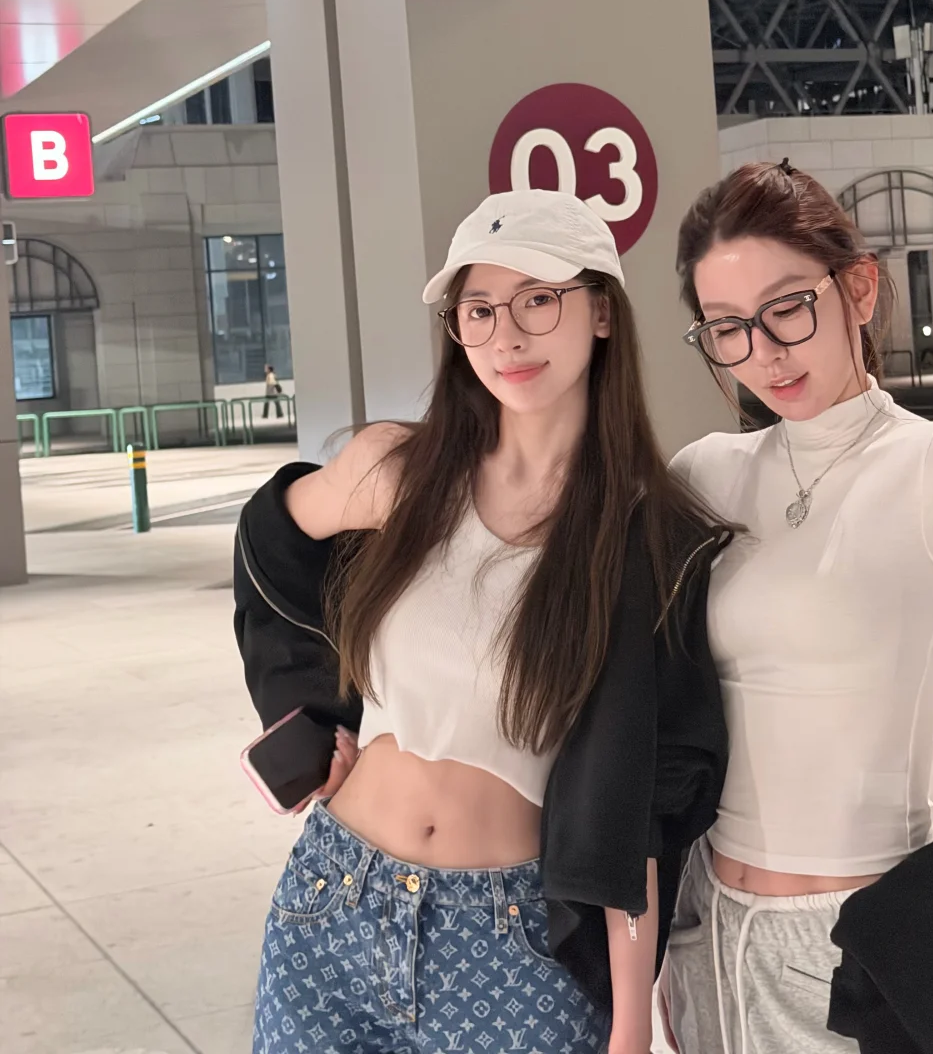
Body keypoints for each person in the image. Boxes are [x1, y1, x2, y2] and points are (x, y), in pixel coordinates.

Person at [240, 188, 733, 1054]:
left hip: (511, 947)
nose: (506, 336)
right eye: (478, 310)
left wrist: (629, 1026)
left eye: (538, 299)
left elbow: (640, 807)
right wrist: (308, 719)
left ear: (602, 313)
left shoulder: (646, 538)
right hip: (331, 904)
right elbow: (270, 541)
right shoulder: (400, 473)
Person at [659, 159, 933, 1054]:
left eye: (787, 308)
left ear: (859, 288)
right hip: (706, 935)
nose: (764, 352)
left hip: (862, 940)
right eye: (727, 327)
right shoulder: (703, 476)